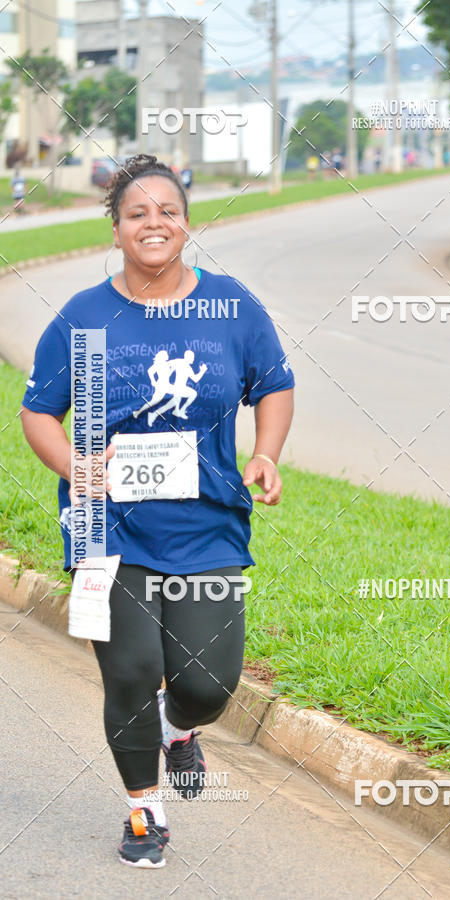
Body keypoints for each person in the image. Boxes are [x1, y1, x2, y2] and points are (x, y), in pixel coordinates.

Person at [20, 153, 294, 868]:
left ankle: (180, 728)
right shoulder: (85, 317)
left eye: (166, 211)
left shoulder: (231, 305)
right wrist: (74, 466)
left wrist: (265, 452)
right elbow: (40, 411)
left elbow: (274, 383)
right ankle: (144, 809)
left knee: (207, 683)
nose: (153, 223)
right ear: (115, 229)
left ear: (186, 223)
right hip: (107, 527)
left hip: (207, 525)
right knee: (133, 671)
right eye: (136, 212)